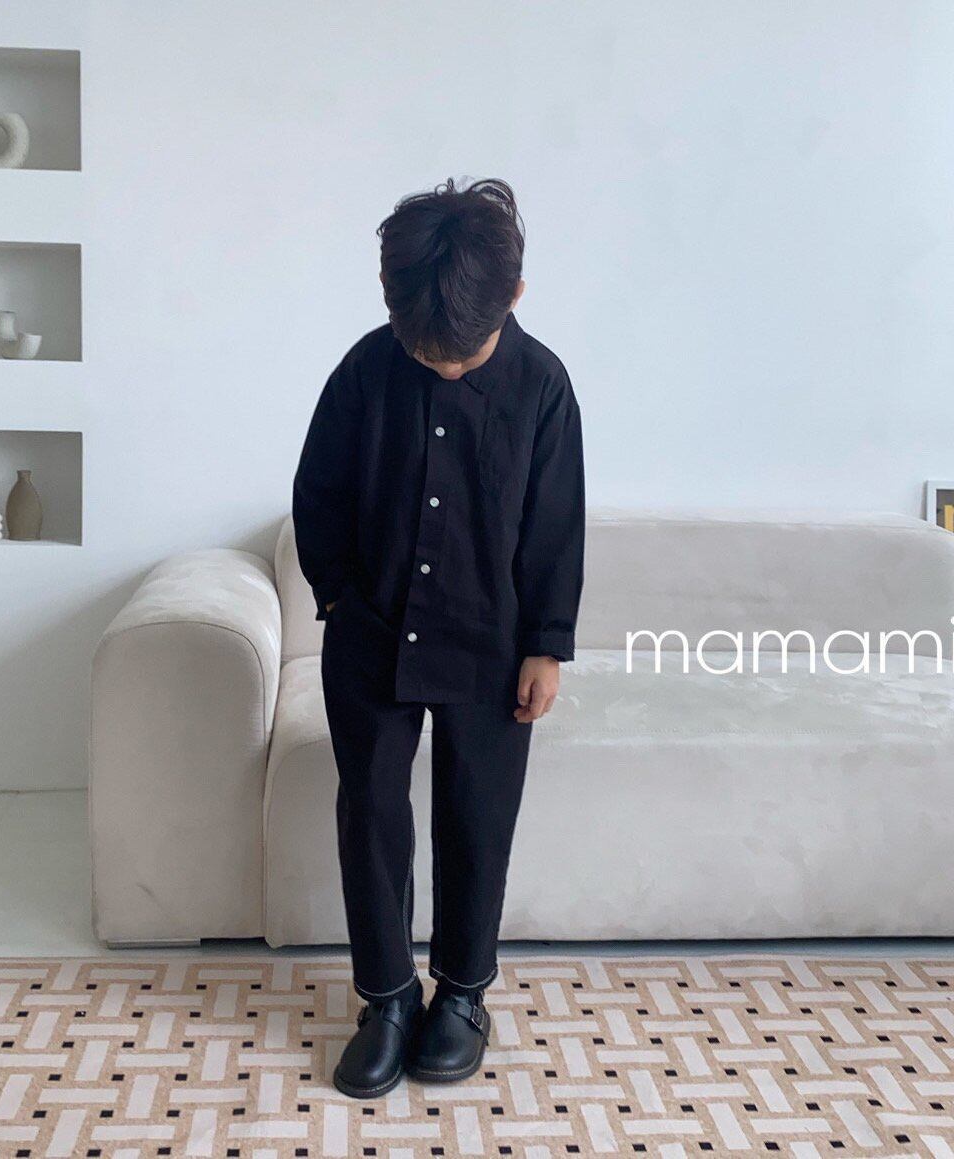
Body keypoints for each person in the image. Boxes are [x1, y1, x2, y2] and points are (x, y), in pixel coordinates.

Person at [291, 177, 586, 1099]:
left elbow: (555, 524)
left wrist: (546, 645)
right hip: (370, 635)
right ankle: (386, 999)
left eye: (464, 352)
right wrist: (337, 598)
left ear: (514, 297)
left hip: (493, 645)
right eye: (427, 352)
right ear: (389, 303)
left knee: (477, 814)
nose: (446, 367)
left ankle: (461, 995)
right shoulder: (363, 370)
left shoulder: (542, 386)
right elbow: (319, 490)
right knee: (371, 811)